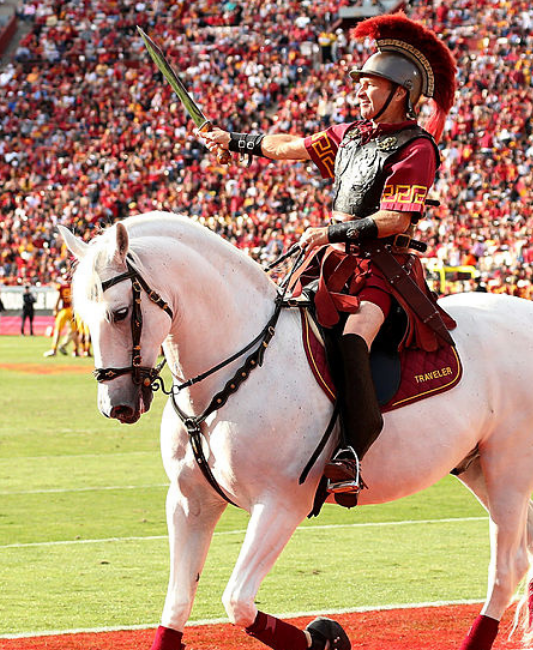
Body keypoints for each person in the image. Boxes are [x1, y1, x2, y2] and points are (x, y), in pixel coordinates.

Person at [195, 13, 457, 496]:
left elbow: (396, 220)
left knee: (355, 337)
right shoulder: (350, 135)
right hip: (334, 261)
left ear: (400, 92)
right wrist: (236, 141)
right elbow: (289, 147)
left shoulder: (417, 148)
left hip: (384, 269)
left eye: (370, 83)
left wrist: (333, 228)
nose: (360, 91)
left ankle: (352, 451)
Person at [45, 280, 74, 356]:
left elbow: (57, 300)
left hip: (64, 311)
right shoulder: (74, 286)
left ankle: (53, 349)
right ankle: (76, 350)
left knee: (57, 330)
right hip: (73, 311)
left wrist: (55, 310)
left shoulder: (62, 287)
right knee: (74, 332)